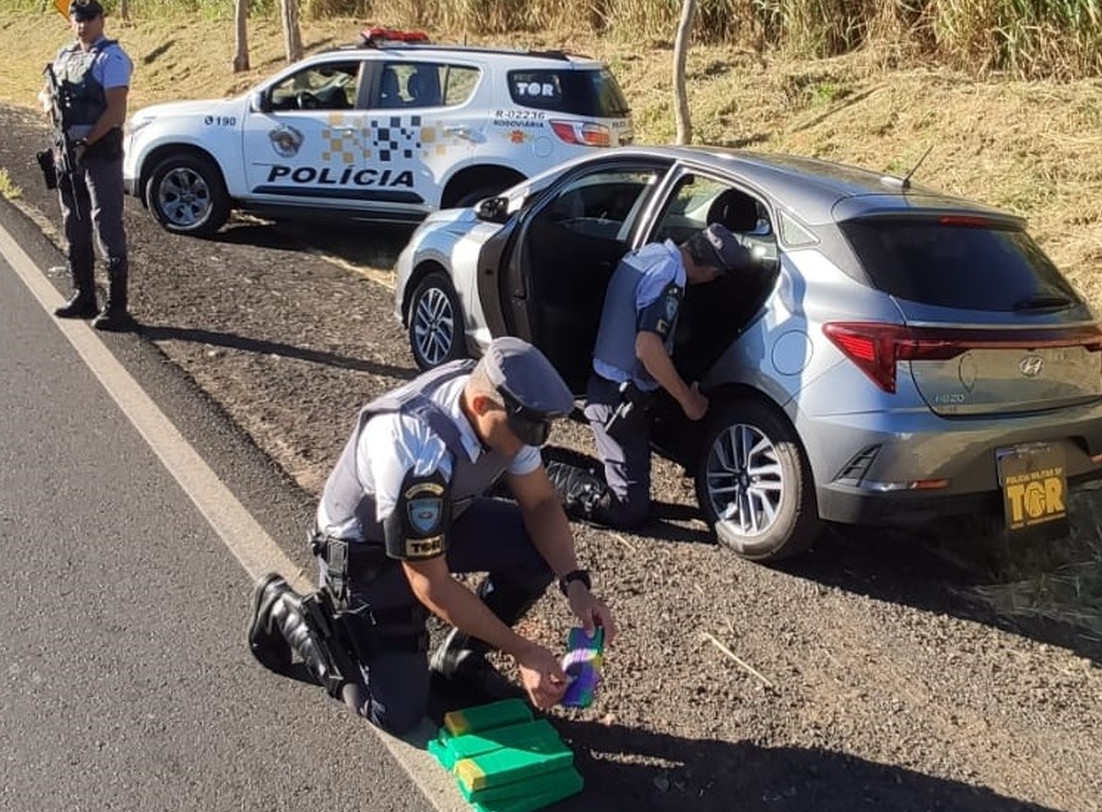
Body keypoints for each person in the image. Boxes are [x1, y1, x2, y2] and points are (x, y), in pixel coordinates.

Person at [247, 337, 616, 736]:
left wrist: (574, 583)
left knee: (537, 549)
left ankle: (460, 659)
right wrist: (523, 650)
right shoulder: (415, 452)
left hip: (442, 521)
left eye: (542, 428)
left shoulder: (500, 408)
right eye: (528, 427)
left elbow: (542, 504)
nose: (534, 438)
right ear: (479, 405)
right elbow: (432, 585)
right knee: (397, 712)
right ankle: (289, 613)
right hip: (365, 552)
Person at [551, 223, 751, 530]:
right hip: (618, 399)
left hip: (606, 383)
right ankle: (544, 477)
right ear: (711, 271)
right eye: (716, 276)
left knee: (628, 484)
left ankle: (552, 466)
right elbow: (647, 347)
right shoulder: (668, 278)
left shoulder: (652, 253)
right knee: (627, 510)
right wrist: (688, 401)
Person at [44, 0, 134, 330]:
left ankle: (117, 307)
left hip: (98, 151)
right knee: (74, 221)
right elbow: (48, 92)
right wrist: (47, 104)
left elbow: (115, 111)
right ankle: (84, 295)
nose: (82, 26)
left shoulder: (111, 58)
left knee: (106, 223)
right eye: (77, 19)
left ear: (101, 20)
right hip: (67, 151)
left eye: (89, 19)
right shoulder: (65, 55)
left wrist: (86, 142)